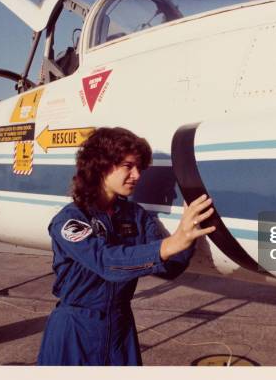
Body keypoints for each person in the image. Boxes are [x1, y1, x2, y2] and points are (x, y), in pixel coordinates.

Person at [37, 127, 216, 366]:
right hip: (76, 329)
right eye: (128, 166)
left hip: (120, 328)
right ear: (101, 165)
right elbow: (107, 263)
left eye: (139, 168)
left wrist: (189, 232)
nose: (137, 175)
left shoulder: (135, 215)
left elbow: (169, 268)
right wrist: (172, 242)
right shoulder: (70, 220)